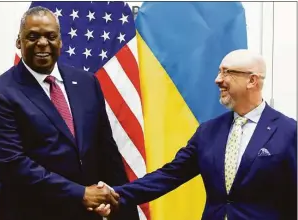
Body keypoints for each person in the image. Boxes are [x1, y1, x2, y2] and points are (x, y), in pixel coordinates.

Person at [95, 49, 297, 220]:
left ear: (252, 80)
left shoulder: (289, 132)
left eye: (227, 72)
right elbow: (168, 175)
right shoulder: (209, 132)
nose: (218, 80)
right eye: (219, 72)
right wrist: (117, 194)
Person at [0, 6, 139, 220]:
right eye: (33, 36)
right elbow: (12, 166)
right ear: (19, 42)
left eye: (50, 36)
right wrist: (80, 194)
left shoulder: (86, 82)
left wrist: (121, 206)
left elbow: (106, 150)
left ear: (60, 42)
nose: (43, 43)